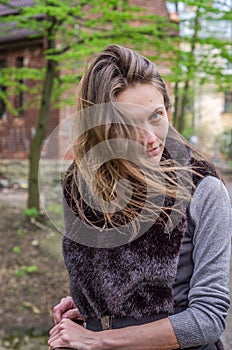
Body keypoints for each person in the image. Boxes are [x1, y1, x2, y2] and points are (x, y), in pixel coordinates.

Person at [48, 44, 232, 350]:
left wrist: (100, 339)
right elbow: (122, 288)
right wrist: (94, 306)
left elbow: (207, 319)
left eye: (156, 116)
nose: (150, 139)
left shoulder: (204, 190)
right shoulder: (78, 189)